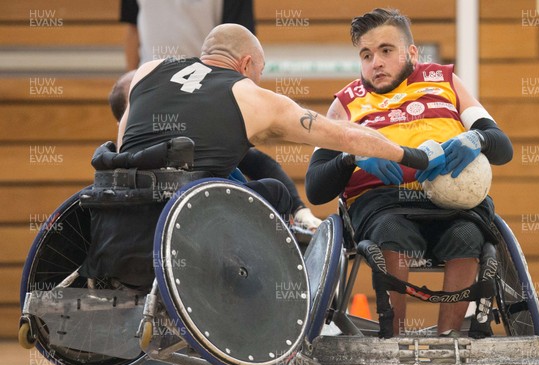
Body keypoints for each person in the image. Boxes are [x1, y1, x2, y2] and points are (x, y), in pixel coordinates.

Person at [305, 8, 513, 338]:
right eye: (366, 54)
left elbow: (503, 147)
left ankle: (449, 343)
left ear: (411, 52)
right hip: (383, 206)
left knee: (470, 235)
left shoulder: (445, 82)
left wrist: (478, 137)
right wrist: (352, 157)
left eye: (386, 51)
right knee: (392, 230)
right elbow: (316, 188)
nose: (376, 62)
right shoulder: (345, 105)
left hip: (451, 203)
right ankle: (395, 340)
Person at [117, 24, 439, 220]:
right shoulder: (252, 96)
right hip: (196, 214)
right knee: (274, 191)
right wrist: (414, 156)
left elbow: (123, 145)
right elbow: (345, 136)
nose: (259, 78)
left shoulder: (148, 69)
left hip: (123, 203)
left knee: (237, 164)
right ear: (245, 64)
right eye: (260, 71)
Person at [108, 70, 323, 231]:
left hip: (218, 227)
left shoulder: (195, 134)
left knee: (274, 191)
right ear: (124, 122)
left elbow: (260, 163)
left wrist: (299, 209)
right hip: (178, 231)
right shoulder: (117, 174)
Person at [120, 0, 255, 70]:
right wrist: (133, 86)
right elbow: (133, 30)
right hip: (149, 83)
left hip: (205, 85)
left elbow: (239, 42)